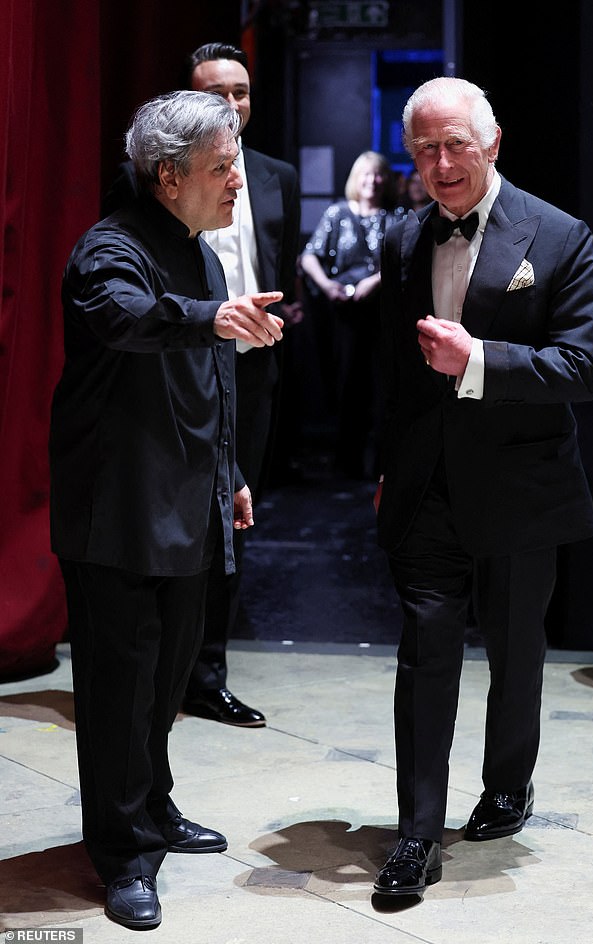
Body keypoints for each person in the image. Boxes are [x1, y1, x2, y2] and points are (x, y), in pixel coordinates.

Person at [49, 90, 284, 929]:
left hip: (191, 501)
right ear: (166, 175)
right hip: (117, 513)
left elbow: (210, 379)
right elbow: (129, 319)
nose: (236, 184)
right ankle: (119, 854)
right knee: (118, 693)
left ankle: (152, 807)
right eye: (222, 169)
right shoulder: (108, 251)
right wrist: (210, 318)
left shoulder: (206, 255)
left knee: (167, 684)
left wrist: (234, 474)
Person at [372, 76, 593, 898]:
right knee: (425, 650)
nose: (441, 164)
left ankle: (509, 783)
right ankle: (415, 835)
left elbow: (584, 368)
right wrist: (385, 467)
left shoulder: (559, 234)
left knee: (515, 652)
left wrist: (477, 361)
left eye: (455, 146)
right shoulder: (402, 239)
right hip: (428, 485)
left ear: (493, 142)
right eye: (425, 149)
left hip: (520, 486)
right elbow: (393, 377)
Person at [104, 42, 302, 728]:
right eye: (214, 93)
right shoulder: (129, 222)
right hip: (179, 356)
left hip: (247, 361)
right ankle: (164, 682)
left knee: (230, 522)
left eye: (240, 93)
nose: (231, 105)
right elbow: (126, 307)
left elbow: (279, 262)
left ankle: (205, 671)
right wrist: (215, 318)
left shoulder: (273, 176)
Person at [300, 151, 405, 479]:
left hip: (382, 312)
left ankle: (383, 465)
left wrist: (374, 282)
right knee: (347, 385)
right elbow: (309, 256)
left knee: (383, 388)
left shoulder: (396, 216)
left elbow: (406, 260)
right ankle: (346, 463)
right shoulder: (337, 213)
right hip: (344, 313)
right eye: (366, 175)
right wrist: (327, 285)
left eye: (378, 175)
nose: (372, 181)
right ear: (355, 179)